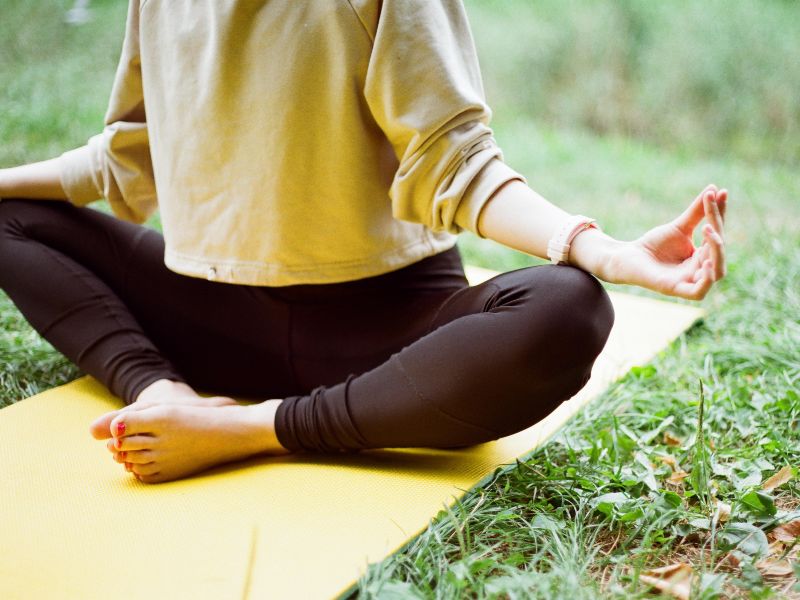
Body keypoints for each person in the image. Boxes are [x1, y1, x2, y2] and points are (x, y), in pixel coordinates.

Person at [0, 0, 726, 484]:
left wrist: (601, 251)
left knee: (568, 307)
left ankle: (252, 429)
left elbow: (459, 163)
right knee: (8, 216)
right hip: (214, 316)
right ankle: (170, 399)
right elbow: (129, 156)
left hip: (386, 335)